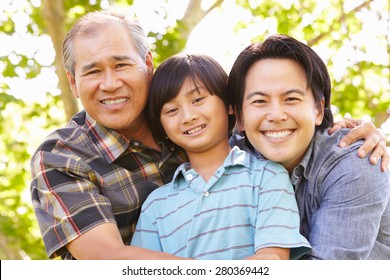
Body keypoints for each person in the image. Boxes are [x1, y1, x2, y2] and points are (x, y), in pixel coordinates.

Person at [30, 9, 388, 260]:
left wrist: (360, 130)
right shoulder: (63, 157)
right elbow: (108, 260)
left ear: (148, 64)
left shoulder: (219, 135)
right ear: (74, 83)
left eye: (122, 64)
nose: (111, 83)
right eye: (92, 71)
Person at [130, 54, 311, 259]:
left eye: (198, 100)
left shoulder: (267, 177)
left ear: (229, 105)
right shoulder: (156, 204)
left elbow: (271, 261)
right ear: (162, 127)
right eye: (172, 110)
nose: (188, 116)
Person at [227, 34, 390, 259]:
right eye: (259, 101)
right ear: (240, 117)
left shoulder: (356, 163)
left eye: (291, 99)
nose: (276, 115)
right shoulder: (227, 159)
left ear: (318, 110)